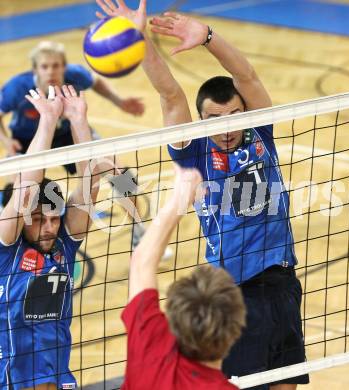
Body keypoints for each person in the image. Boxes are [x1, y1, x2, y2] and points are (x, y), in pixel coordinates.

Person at [96, 1, 309, 389]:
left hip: (283, 284)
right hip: (234, 294)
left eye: (233, 117)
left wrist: (208, 36)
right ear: (201, 121)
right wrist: (138, 38)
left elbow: (246, 74)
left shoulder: (259, 131)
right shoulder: (192, 149)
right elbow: (170, 95)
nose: (227, 129)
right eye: (214, 120)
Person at [0, 85, 100, 389]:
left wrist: (78, 120)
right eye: (40, 219)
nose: (49, 227)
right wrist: (47, 120)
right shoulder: (6, 249)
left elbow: (90, 183)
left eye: (55, 219)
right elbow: (26, 185)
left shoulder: (64, 247)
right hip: (12, 379)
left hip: (58, 375)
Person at [123, 162, 246, 389]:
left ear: (174, 320)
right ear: (234, 332)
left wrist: (180, 199)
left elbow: (141, 262)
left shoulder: (151, 346)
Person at [0, 40, 144, 172]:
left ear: (64, 66)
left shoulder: (75, 75)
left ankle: (131, 196)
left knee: (115, 169)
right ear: (35, 70)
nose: (50, 71)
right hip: (28, 138)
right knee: (18, 187)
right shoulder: (17, 88)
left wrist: (119, 101)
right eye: (44, 67)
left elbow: (95, 82)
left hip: (68, 132)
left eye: (56, 65)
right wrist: (6, 141)